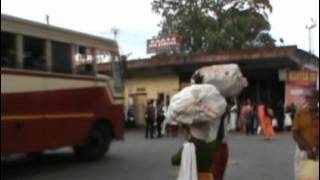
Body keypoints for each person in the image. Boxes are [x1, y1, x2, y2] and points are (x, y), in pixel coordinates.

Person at [292, 89, 319, 180]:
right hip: (303, 152)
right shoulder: (300, 113)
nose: (310, 100)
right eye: (308, 98)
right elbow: (295, 133)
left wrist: (317, 149)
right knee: (302, 177)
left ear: (317, 98)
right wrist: (308, 149)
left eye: (312, 97)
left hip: (317, 152)